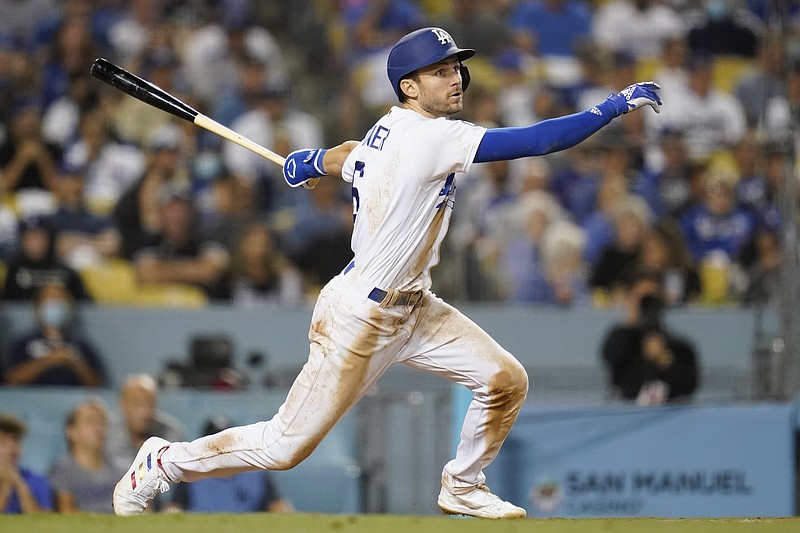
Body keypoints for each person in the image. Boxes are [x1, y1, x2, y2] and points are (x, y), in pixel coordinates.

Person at [112, 27, 662, 519]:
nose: (455, 78)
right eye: (439, 71)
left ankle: (464, 486)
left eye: (454, 68)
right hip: (361, 316)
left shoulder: (392, 129)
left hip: (413, 307)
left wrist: (314, 158)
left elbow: (352, 153)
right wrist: (609, 107)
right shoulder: (431, 136)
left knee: (504, 379)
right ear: (408, 87)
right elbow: (540, 141)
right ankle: (163, 462)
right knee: (283, 448)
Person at [600, 268, 700, 405]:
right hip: (627, 414)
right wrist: (632, 318)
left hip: (670, 417)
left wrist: (664, 360)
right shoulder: (622, 338)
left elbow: (689, 386)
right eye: (641, 298)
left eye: (652, 298)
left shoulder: (678, 346)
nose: (647, 304)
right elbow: (610, 359)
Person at [166, 416, 294, 513]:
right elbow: (174, 508)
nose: (220, 451)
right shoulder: (190, 473)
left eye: (224, 444)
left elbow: (278, 506)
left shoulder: (256, 473)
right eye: (214, 446)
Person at [4, 282, 105, 387]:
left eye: (59, 301)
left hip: (74, 400)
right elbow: (11, 380)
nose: (53, 305)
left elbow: (96, 384)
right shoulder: (23, 343)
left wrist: (74, 362)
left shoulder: (81, 344)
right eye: (48, 301)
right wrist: (49, 360)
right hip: (31, 400)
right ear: (37, 307)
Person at [49, 399, 126, 513]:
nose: (99, 428)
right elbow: (67, 512)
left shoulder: (121, 469)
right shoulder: (62, 471)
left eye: (102, 423)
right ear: (71, 432)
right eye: (90, 422)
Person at [0, 413, 53, 513]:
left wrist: (19, 484)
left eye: (16, 441)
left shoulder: (36, 480)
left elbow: (44, 522)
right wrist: (6, 485)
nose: (11, 449)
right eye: (2, 443)